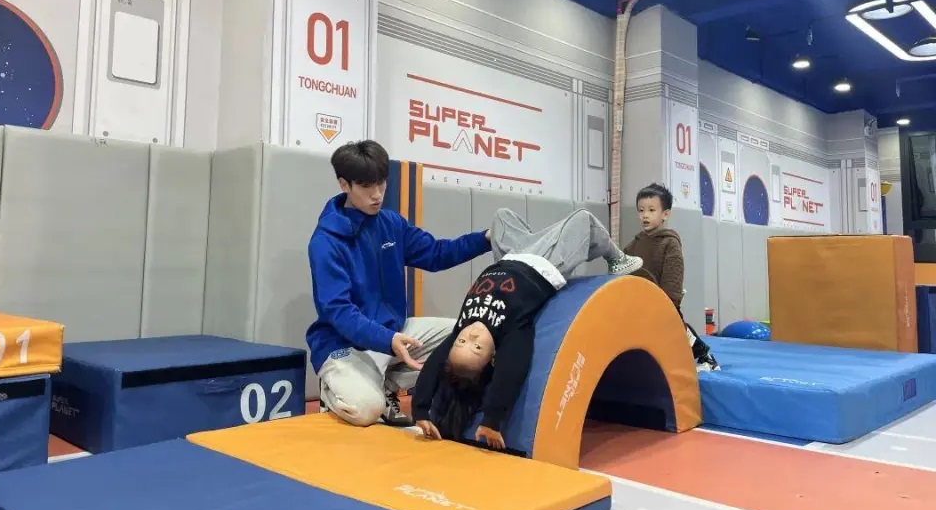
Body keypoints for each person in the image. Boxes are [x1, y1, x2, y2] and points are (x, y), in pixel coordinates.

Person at [411, 208, 642, 449]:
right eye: (477, 347)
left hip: (511, 256)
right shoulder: (512, 331)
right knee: (583, 220)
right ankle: (617, 258)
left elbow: (435, 363)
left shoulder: (463, 325)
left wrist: (420, 410)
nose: (471, 335)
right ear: (492, 357)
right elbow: (510, 371)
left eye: (461, 342)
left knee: (501, 216)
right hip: (546, 264)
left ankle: (543, 238)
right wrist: (492, 420)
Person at [307, 140, 493, 428]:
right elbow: (338, 312)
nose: (377, 194)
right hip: (345, 345)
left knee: (465, 338)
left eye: (381, 183)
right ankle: (333, 391)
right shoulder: (325, 242)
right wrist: (387, 339)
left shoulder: (391, 223)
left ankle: (385, 382)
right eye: (366, 186)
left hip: (394, 332)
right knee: (366, 410)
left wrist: (485, 239)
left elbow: (437, 253)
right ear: (344, 185)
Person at [624, 183, 720, 371]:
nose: (645, 215)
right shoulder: (633, 245)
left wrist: (670, 301)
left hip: (664, 301)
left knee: (678, 330)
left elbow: (674, 274)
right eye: (641, 210)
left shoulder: (669, 243)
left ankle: (705, 356)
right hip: (641, 301)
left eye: (651, 210)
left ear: (665, 214)